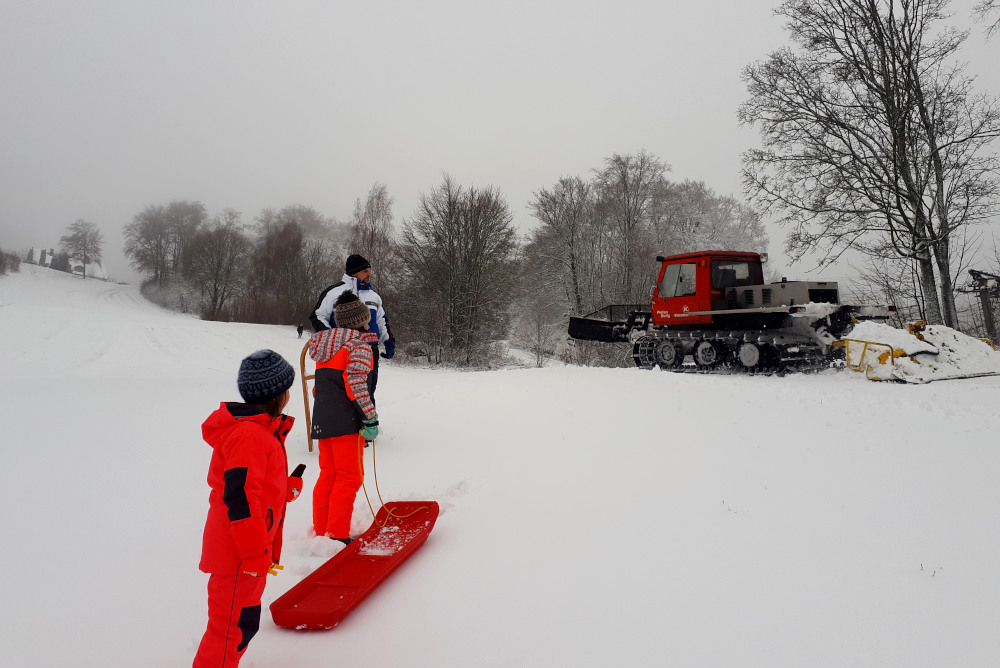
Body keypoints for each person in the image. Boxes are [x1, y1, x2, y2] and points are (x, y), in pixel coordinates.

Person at [193, 350, 302, 668]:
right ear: (278, 395)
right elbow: (240, 499)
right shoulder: (249, 436)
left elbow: (256, 489)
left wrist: (287, 488)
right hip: (240, 555)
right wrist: (255, 555)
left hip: (247, 553)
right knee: (230, 631)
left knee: (243, 625)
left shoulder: (262, 431)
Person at [308, 291, 379, 544]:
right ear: (361, 321)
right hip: (346, 423)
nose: (369, 322)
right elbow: (355, 385)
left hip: (323, 420)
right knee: (349, 477)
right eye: (366, 318)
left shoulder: (326, 347)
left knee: (329, 474)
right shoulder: (358, 346)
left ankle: (321, 530)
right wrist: (370, 419)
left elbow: (320, 388)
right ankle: (337, 534)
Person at [309, 254, 395, 403]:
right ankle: (343, 424)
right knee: (343, 392)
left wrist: (388, 341)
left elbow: (381, 321)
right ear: (354, 273)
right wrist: (331, 337)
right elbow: (317, 316)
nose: (370, 274)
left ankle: (368, 425)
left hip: (370, 349)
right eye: (365, 271)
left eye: (369, 270)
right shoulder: (334, 292)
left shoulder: (374, 296)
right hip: (342, 350)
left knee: (368, 392)